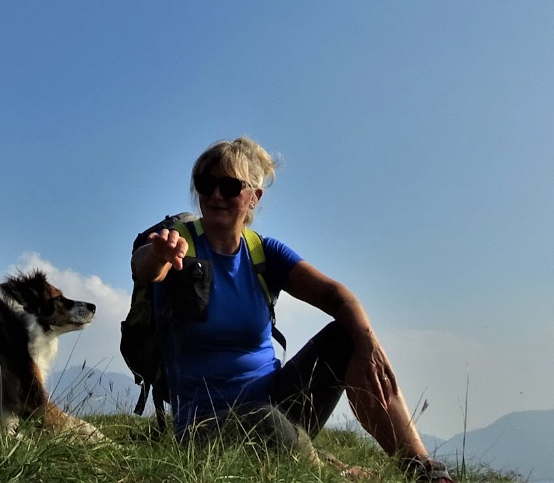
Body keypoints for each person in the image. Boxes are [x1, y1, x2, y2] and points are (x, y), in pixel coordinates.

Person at [132, 137, 454, 482]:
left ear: (254, 196)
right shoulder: (179, 242)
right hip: (205, 426)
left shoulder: (263, 252)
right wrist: (160, 254)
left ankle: (422, 470)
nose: (215, 195)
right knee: (267, 421)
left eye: (229, 186)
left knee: (350, 335)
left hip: (279, 403)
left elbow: (336, 296)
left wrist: (369, 346)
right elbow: (145, 268)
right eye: (206, 183)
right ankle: (336, 473)